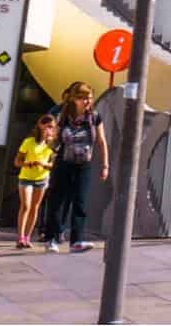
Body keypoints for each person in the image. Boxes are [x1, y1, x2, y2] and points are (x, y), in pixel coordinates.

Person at [40, 83, 109, 253]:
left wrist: (105, 165)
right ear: (74, 99)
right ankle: (52, 239)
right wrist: (48, 142)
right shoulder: (62, 114)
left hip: (84, 163)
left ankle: (76, 241)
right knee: (57, 201)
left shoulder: (94, 117)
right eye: (84, 98)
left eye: (90, 98)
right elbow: (50, 135)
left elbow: (101, 141)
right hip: (63, 162)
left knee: (81, 202)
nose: (88, 101)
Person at [12, 115, 57, 249]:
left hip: (42, 179)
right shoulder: (29, 142)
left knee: (35, 207)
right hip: (26, 177)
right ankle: (20, 237)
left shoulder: (52, 145)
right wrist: (29, 163)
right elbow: (17, 162)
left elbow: (54, 164)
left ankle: (27, 237)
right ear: (40, 126)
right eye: (48, 126)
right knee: (25, 205)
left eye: (52, 127)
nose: (50, 130)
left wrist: (45, 165)